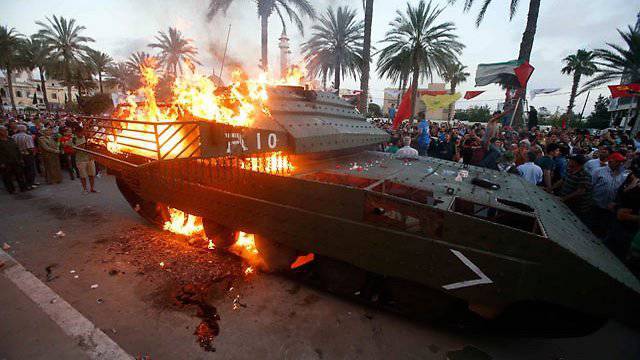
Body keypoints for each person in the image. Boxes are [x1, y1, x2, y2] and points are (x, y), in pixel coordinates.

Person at [591, 152, 629, 238]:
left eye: (621, 162)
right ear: (611, 161)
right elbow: (590, 186)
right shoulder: (598, 171)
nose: (620, 164)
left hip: (609, 210)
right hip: (595, 206)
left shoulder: (622, 176)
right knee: (590, 228)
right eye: (618, 162)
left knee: (601, 231)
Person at [556, 154, 593, 223]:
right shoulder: (569, 170)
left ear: (577, 163)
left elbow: (580, 191)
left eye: (571, 160)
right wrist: (550, 188)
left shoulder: (585, 175)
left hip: (576, 207)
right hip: (565, 202)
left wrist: (563, 198)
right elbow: (562, 180)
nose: (569, 161)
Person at [0, 125, 28, 193]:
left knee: (19, 175)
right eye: (4, 130)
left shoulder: (10, 139)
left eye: (6, 130)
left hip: (16, 160)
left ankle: (23, 188)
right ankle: (11, 190)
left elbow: (17, 149)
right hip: (6, 162)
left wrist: (20, 158)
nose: (6, 131)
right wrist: (1, 163)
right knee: (7, 177)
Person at [11, 124, 37, 189]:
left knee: (22, 170)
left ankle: (25, 184)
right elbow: (30, 148)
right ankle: (30, 184)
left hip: (18, 155)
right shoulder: (28, 136)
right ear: (25, 129)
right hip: (27, 155)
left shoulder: (13, 136)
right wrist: (33, 153)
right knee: (30, 170)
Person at [73, 127, 98, 194]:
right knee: (83, 176)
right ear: (76, 133)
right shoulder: (73, 139)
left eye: (82, 132)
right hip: (80, 160)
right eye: (79, 132)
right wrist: (82, 146)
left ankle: (92, 188)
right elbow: (72, 150)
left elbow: (93, 147)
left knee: (92, 175)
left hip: (90, 159)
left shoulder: (87, 138)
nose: (81, 134)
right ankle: (84, 189)